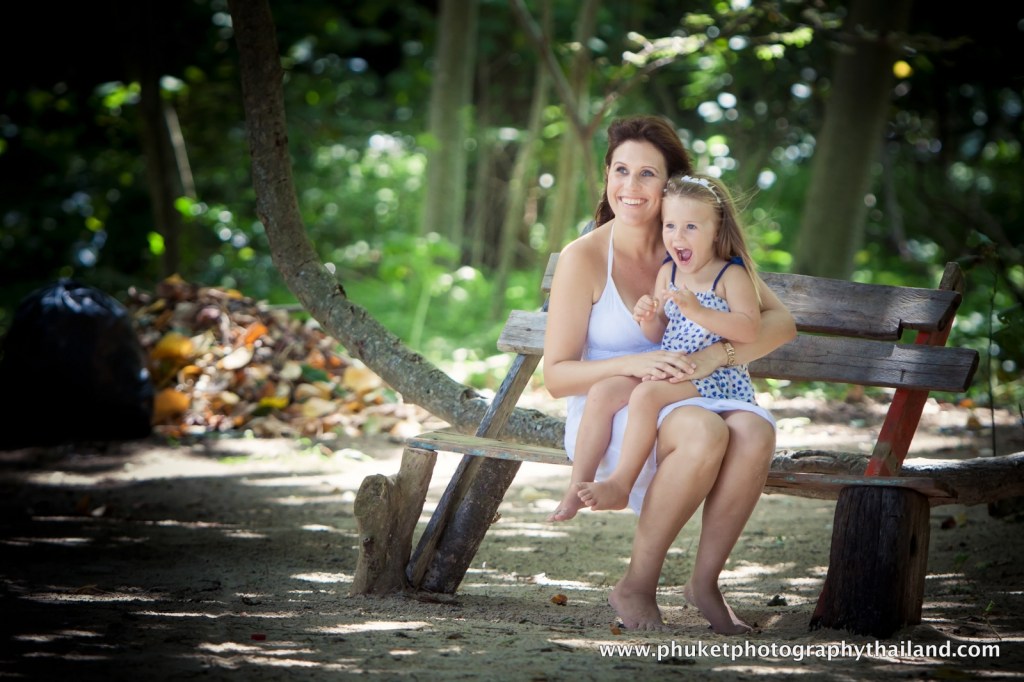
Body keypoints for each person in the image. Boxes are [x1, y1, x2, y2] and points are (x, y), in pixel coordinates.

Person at [542, 115, 796, 634]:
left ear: (671, 184)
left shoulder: (689, 242)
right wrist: (632, 364)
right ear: (607, 175)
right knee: (705, 431)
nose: (630, 187)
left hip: (691, 388)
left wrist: (718, 355)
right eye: (620, 170)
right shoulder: (584, 257)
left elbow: (779, 323)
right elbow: (557, 377)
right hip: (612, 409)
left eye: (647, 174)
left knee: (755, 430)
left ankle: (704, 583)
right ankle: (636, 584)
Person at [575, 173, 768, 513]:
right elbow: (660, 334)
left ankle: (621, 484)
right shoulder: (669, 273)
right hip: (676, 367)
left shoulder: (730, 275)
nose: (678, 236)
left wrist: (700, 312)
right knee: (605, 390)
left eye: (691, 227)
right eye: (670, 226)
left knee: (646, 395)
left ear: (716, 230)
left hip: (717, 376)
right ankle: (576, 485)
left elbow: (749, 329)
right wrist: (649, 317)